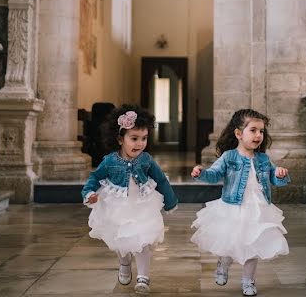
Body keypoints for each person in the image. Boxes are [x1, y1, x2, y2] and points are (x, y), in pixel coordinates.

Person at [191, 109, 290, 296]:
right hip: (232, 208)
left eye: (261, 131)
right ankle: (223, 263)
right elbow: (214, 175)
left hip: (258, 208)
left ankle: (248, 281)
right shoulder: (229, 157)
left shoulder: (263, 159)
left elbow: (273, 178)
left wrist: (280, 175)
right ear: (238, 133)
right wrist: (201, 173)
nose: (258, 135)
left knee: (254, 244)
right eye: (253, 130)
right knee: (229, 242)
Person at [81, 105, 177, 294]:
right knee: (120, 240)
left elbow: (160, 180)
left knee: (142, 240)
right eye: (134, 139)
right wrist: (89, 193)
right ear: (119, 139)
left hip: (142, 206)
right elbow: (94, 178)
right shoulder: (109, 161)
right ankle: (124, 263)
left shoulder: (146, 159)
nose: (139, 144)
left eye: (144, 138)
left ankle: (143, 277)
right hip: (117, 208)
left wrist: (170, 200)